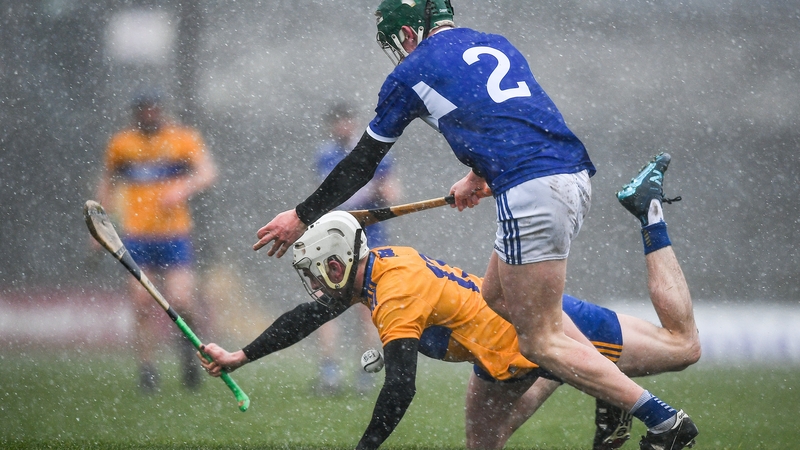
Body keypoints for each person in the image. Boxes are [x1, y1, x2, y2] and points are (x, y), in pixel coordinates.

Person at [250, 1, 698, 448]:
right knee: (495, 295)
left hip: (531, 188)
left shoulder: (410, 72)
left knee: (541, 341)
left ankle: (660, 420)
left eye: (398, 43)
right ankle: (611, 387)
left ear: (408, 33)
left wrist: (300, 216)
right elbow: (514, 119)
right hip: (566, 174)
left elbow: (363, 163)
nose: (400, 52)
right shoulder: (493, 43)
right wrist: (478, 175)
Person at [200, 153, 699, 450]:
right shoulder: (374, 267)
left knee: (682, 348)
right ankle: (599, 386)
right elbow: (309, 316)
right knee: (484, 444)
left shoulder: (392, 295)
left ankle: (648, 211)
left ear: (336, 264)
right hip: (500, 355)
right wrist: (241, 356)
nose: (315, 286)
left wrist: (365, 446)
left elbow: (399, 390)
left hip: (543, 330)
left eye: (315, 274)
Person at [96, 89, 217, 392]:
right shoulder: (121, 144)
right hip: (136, 235)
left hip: (175, 234)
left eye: (154, 110)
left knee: (181, 301)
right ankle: (147, 369)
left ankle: (189, 355)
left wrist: (182, 188)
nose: (149, 115)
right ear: (136, 114)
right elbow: (107, 185)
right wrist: (99, 226)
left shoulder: (182, 138)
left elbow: (207, 173)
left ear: (162, 111)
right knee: (140, 303)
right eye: (144, 111)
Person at [312, 103, 401, 395]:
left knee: (368, 307)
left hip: (370, 236)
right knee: (326, 300)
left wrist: (380, 191)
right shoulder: (326, 154)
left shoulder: (375, 151)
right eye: (337, 122)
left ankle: (366, 371)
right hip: (335, 237)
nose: (342, 127)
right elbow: (328, 193)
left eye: (346, 121)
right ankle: (330, 371)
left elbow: (393, 192)